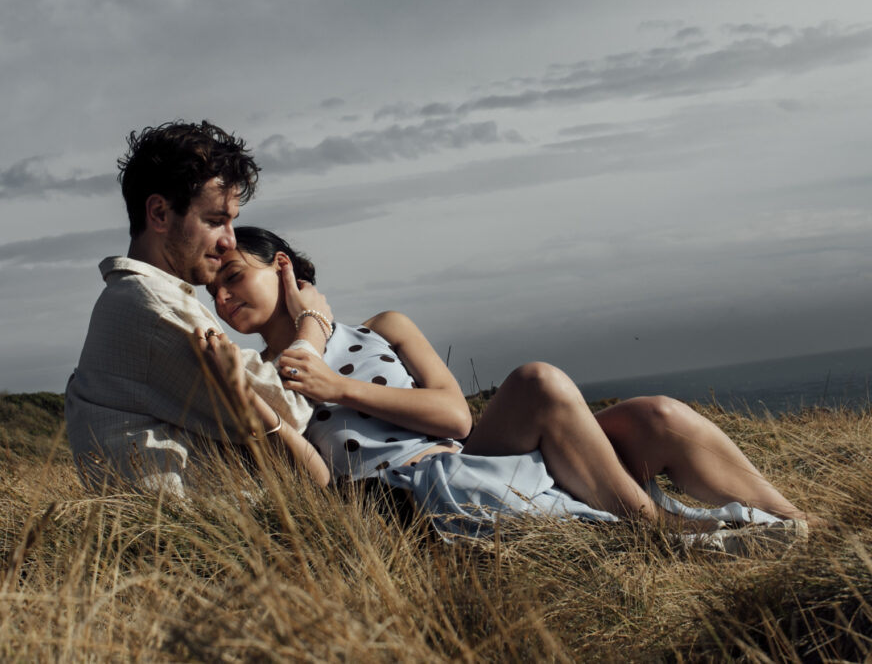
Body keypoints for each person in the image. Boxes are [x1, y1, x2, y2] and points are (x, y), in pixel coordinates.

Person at [207, 226, 818, 540]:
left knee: (650, 413)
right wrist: (256, 398)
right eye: (213, 292)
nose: (224, 297)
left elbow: (456, 417)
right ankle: (660, 532)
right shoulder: (258, 377)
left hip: (466, 452)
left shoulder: (383, 327)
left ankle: (796, 521)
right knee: (538, 380)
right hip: (408, 493)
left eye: (233, 276)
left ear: (281, 266)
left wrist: (339, 388)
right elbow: (314, 484)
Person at [65, 121, 333, 496]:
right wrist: (313, 326)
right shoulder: (156, 306)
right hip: (193, 530)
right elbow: (290, 409)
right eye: (215, 221)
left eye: (231, 222)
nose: (229, 241)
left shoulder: (133, 298)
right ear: (159, 213)